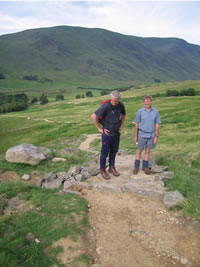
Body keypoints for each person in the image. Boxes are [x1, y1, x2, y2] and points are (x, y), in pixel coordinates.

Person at [91, 90, 126, 179]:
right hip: (107, 135)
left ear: (119, 99)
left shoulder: (121, 105)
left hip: (116, 134)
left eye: (117, 101)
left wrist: (121, 125)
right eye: (114, 101)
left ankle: (111, 167)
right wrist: (99, 128)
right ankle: (102, 169)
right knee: (104, 153)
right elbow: (93, 116)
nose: (115, 103)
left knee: (114, 151)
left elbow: (124, 115)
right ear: (111, 98)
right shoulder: (106, 106)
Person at [133, 96, 161, 175]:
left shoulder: (156, 112)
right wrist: (135, 136)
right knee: (139, 150)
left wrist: (156, 136)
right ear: (144, 102)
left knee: (148, 151)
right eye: (146, 101)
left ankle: (145, 167)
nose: (147, 103)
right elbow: (136, 124)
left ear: (151, 102)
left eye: (149, 101)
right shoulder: (140, 112)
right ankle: (136, 167)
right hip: (141, 134)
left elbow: (157, 124)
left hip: (151, 135)